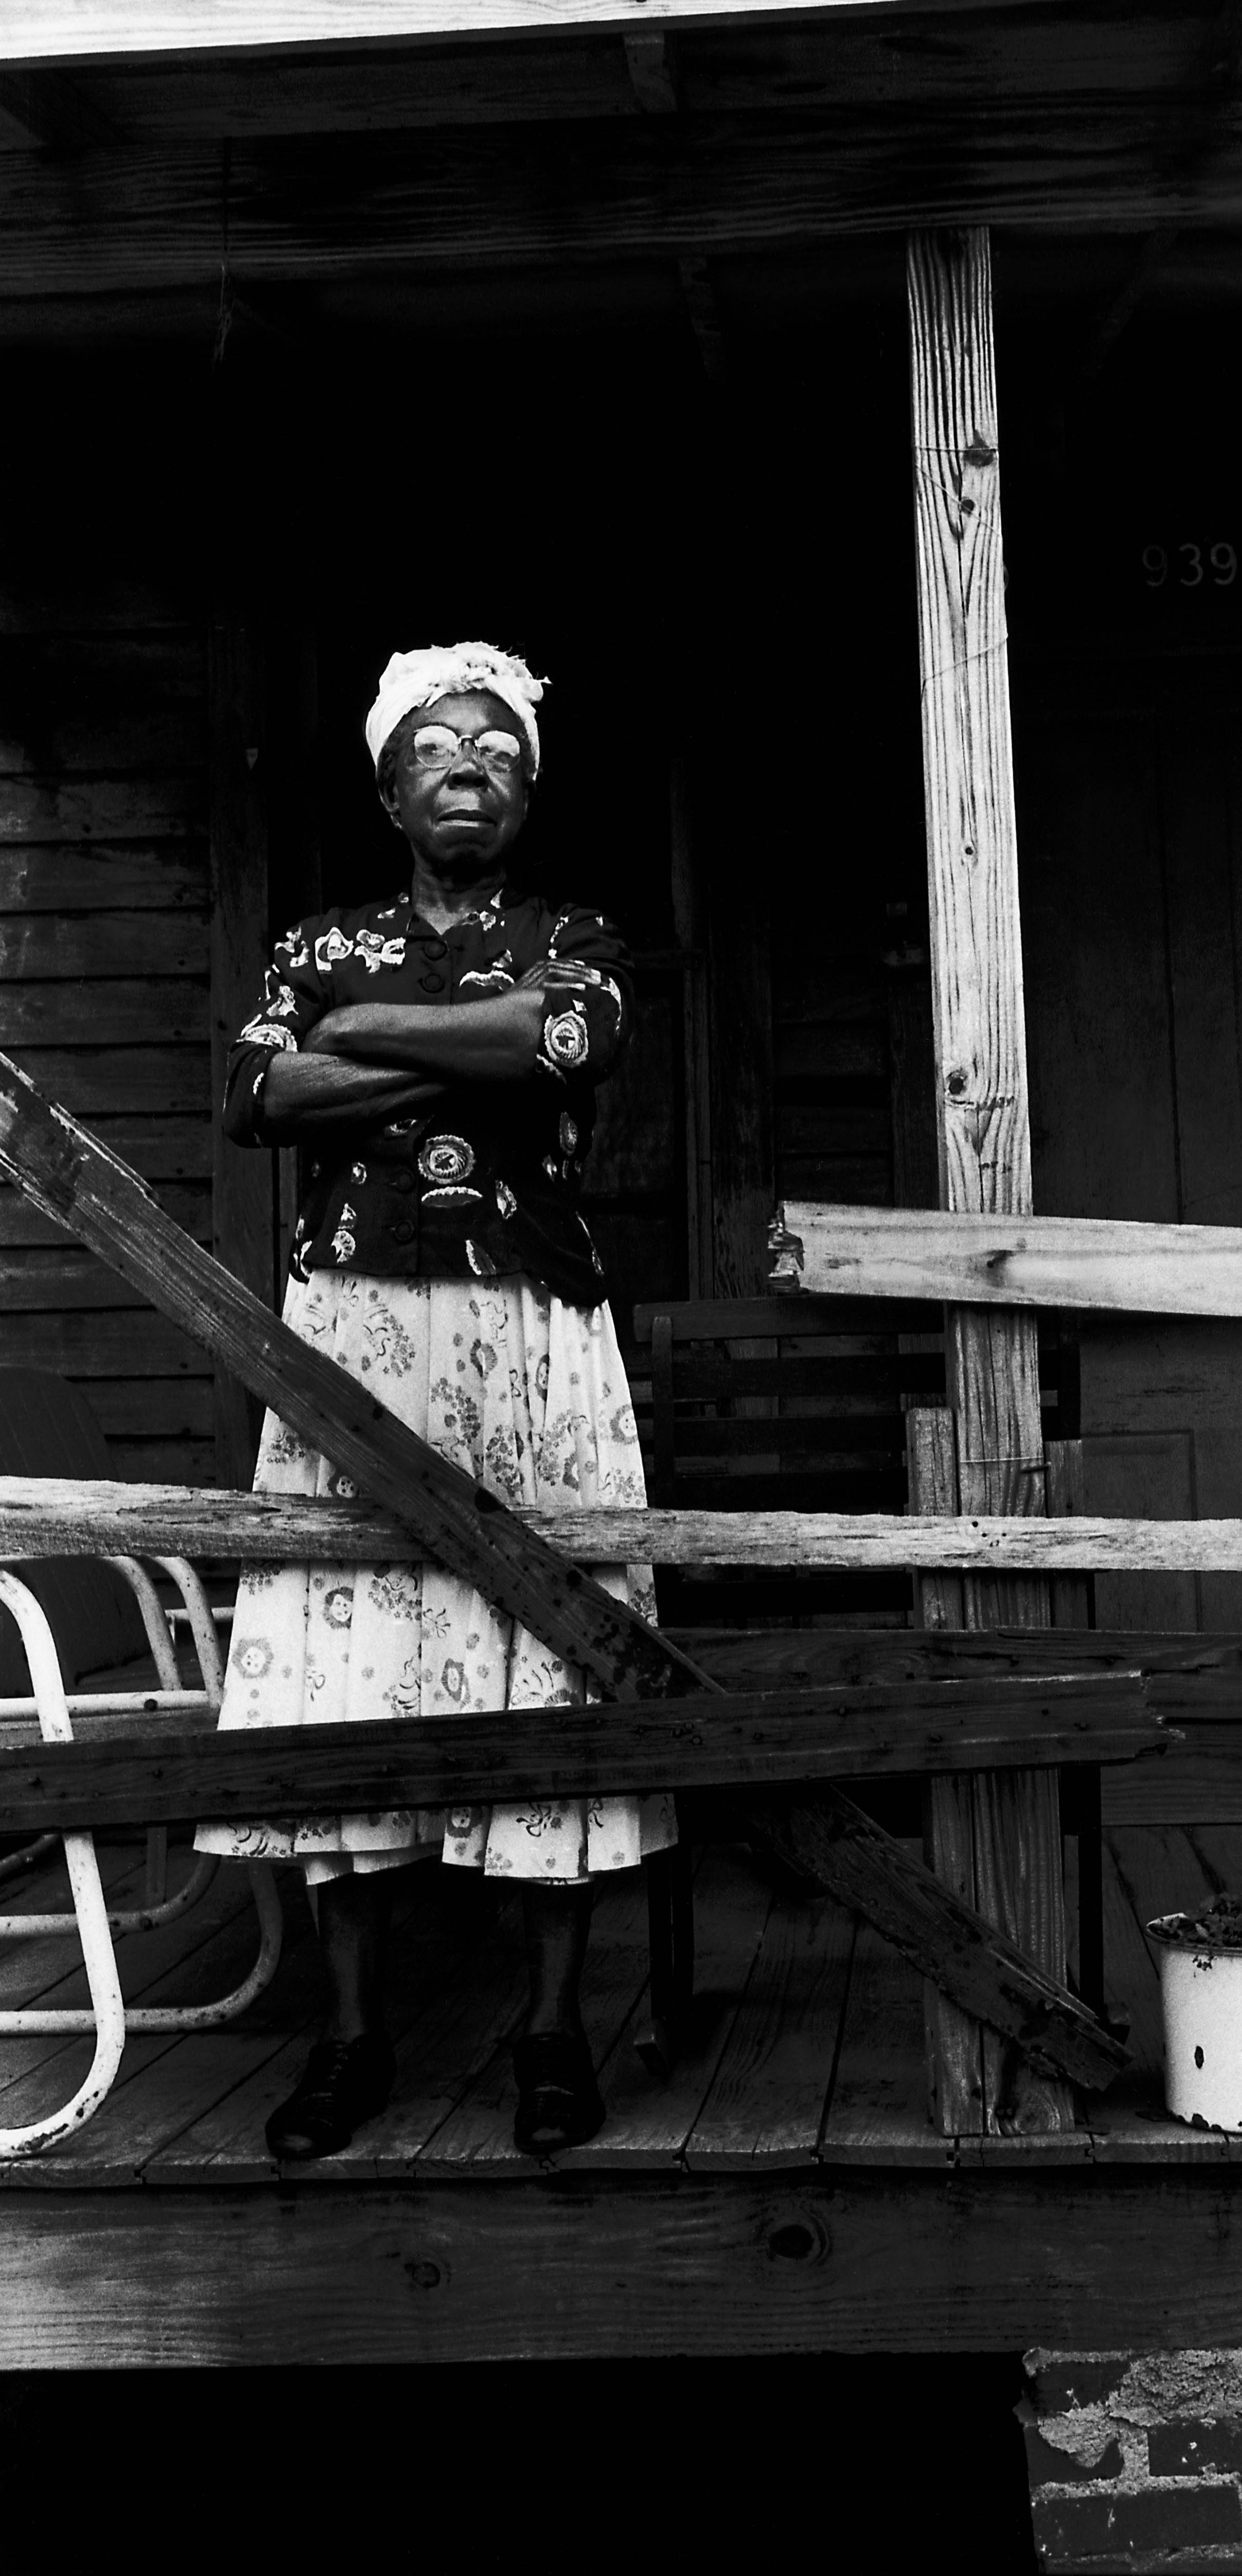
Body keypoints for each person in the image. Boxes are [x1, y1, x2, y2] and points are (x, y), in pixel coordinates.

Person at [195, 640, 671, 2161]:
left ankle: (551, 2030)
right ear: (389, 791)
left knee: (553, 1643)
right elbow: (258, 1094)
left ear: (528, 789)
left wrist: (362, 1035)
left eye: (497, 750)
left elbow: (566, 1036)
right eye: (434, 749)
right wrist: (478, 1056)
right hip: (349, 1332)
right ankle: (351, 2035)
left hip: (532, 1330)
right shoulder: (317, 940)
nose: (468, 768)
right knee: (345, 1657)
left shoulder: (574, 935)